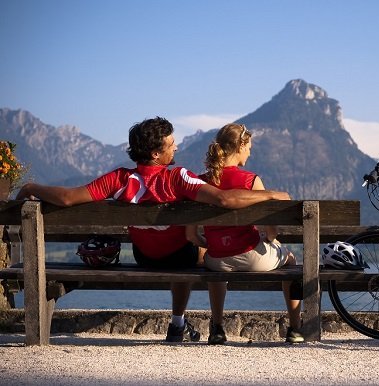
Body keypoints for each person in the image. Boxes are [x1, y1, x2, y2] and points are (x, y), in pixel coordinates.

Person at [15, 117, 291, 343]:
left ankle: (190, 324)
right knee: (198, 251)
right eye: (171, 144)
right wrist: (270, 195)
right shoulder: (177, 176)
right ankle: (178, 322)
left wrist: (31, 187)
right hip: (180, 258)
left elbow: (66, 198)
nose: (176, 148)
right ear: (156, 153)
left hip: (143, 257)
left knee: (192, 246)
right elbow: (225, 200)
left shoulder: (120, 178)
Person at [188, 123, 303, 345]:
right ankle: (295, 328)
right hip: (254, 257)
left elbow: (191, 236)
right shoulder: (251, 181)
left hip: (217, 261)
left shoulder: (201, 182)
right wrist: (270, 239)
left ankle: (218, 327)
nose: (250, 151)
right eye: (249, 146)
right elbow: (271, 231)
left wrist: (210, 244)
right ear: (240, 146)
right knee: (291, 261)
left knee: (218, 267)